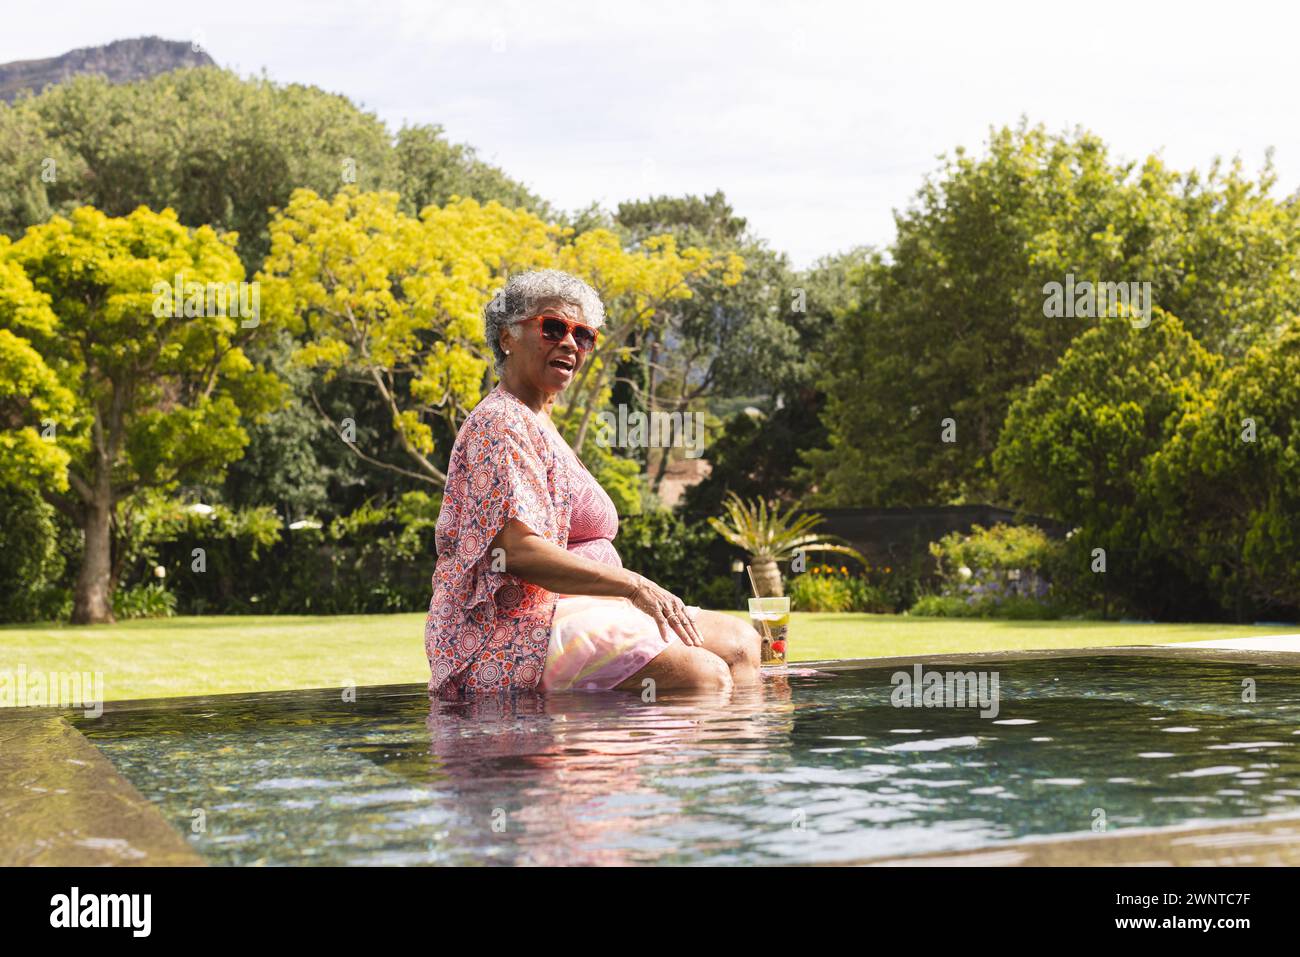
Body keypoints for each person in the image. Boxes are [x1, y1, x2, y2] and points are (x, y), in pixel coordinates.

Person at [425, 269, 761, 698]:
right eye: (553, 327)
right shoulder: (499, 422)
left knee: (742, 643)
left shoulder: (538, 420)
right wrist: (634, 586)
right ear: (507, 338)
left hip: (576, 612)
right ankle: (614, 764)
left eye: (583, 336)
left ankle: (742, 767)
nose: (569, 343)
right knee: (702, 676)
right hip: (511, 631)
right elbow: (514, 550)